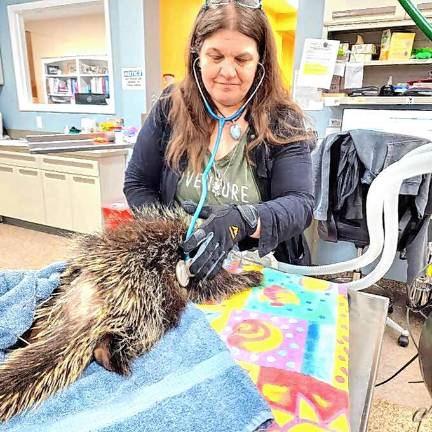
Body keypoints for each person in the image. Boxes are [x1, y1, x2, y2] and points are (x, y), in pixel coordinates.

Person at [124, 0, 315, 281]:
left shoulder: (283, 119)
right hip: (181, 263)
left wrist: (245, 219)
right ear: (196, 55)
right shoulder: (169, 106)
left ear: (260, 61)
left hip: (259, 270)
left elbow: (300, 204)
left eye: (242, 59)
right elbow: (138, 184)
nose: (227, 72)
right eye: (215, 57)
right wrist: (171, 231)